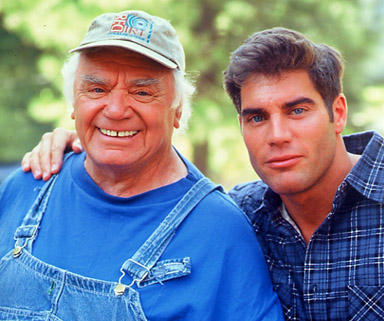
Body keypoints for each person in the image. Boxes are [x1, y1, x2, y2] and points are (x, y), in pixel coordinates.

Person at [21, 27, 384, 320]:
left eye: (297, 110)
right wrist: (85, 142)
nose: (277, 135)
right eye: (257, 117)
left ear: (338, 112)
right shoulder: (240, 216)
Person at [0, 11, 284, 320]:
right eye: (97, 89)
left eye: (142, 92)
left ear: (177, 111)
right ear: (74, 103)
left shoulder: (220, 231)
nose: (117, 109)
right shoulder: (27, 185)